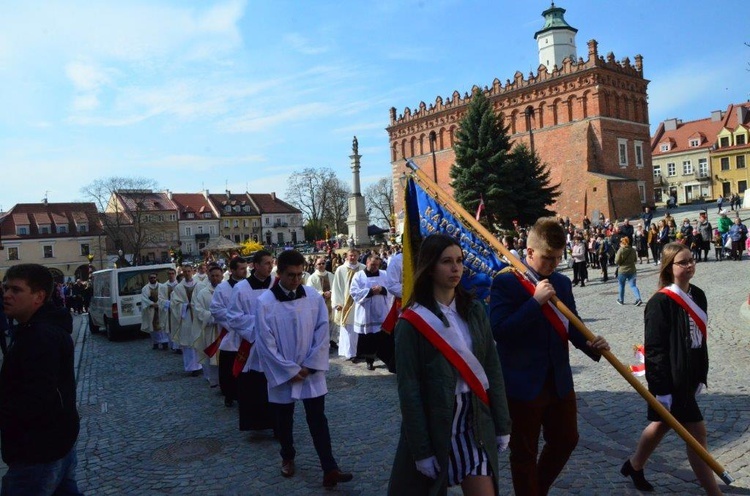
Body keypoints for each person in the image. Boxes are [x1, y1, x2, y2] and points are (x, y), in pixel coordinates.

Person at [490, 217, 610, 496]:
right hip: (523, 382)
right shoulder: (506, 282)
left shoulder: (561, 283)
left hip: (558, 380)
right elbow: (500, 331)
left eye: (558, 257)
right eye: (548, 258)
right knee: (524, 454)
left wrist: (592, 344)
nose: (554, 264)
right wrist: (534, 303)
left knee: (567, 439)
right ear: (530, 252)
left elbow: (571, 324)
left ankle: (537, 490)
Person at [388, 234, 511, 495]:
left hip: (474, 419)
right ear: (430, 267)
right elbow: (409, 390)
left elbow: (492, 369)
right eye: (446, 261)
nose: (456, 268)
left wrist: (502, 423)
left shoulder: (475, 310)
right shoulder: (411, 323)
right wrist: (421, 451)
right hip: (437, 422)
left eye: (459, 261)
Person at [621, 243, 722, 495]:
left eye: (691, 260)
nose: (689, 265)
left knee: (663, 424)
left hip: (690, 373)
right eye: (682, 262)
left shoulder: (698, 294)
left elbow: (699, 338)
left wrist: (701, 374)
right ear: (669, 267)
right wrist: (661, 391)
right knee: (696, 436)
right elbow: (655, 351)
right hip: (672, 380)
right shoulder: (659, 303)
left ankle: (635, 465)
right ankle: (714, 493)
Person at [254, 250, 353, 488]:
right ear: (279, 273)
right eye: (291, 275)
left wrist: (309, 365)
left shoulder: (312, 297)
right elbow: (265, 343)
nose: (296, 280)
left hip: (310, 371)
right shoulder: (265, 303)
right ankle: (287, 456)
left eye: (300, 274)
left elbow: (322, 330)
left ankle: (330, 468)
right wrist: (288, 370)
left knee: (318, 419)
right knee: (284, 419)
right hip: (284, 372)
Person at [0, 264, 82, 495]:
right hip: (55, 442)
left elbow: (37, 398)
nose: (6, 295)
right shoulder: (35, 330)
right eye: (6, 288)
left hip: (37, 450)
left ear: (39, 296)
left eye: (16, 290)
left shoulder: (40, 336)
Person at [227, 250, 275, 434]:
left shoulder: (276, 285)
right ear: (254, 265)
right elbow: (233, 317)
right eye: (266, 263)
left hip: (274, 343)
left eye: (271, 263)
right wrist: (259, 325)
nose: (270, 266)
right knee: (254, 385)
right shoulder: (241, 288)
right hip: (251, 345)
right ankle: (256, 423)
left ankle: (277, 422)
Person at [211, 257, 248, 407]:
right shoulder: (222, 288)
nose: (245, 271)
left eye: (246, 268)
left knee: (245, 368)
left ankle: (244, 394)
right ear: (232, 270)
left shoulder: (249, 286)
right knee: (228, 369)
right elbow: (216, 309)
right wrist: (234, 321)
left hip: (246, 334)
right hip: (230, 334)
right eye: (242, 269)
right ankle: (229, 394)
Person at [349, 253, 389, 371]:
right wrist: (370, 291)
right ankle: (369, 360)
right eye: (372, 265)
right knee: (369, 338)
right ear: (367, 263)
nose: (375, 267)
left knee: (383, 337)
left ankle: (386, 359)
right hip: (366, 313)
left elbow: (391, 289)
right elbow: (354, 292)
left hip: (381, 311)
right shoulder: (359, 276)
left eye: (377, 265)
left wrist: (382, 289)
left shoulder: (384, 274)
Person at [331, 248, 366, 360]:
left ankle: (360, 351)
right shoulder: (340, 269)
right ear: (346, 256)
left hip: (359, 302)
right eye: (350, 255)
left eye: (355, 255)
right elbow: (336, 287)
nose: (352, 258)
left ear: (358, 256)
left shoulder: (363, 268)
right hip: (345, 303)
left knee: (360, 328)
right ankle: (350, 353)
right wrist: (337, 303)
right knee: (348, 329)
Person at [170, 264, 203, 377]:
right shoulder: (178, 288)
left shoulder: (199, 286)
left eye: (189, 271)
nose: (187, 273)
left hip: (197, 316)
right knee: (188, 343)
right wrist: (184, 306)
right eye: (185, 272)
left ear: (192, 272)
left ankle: (200, 365)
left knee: (198, 340)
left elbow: (203, 299)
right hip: (187, 317)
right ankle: (191, 367)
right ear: (182, 273)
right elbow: (174, 303)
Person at [194, 265, 224, 388]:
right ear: (208, 277)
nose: (215, 278)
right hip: (211, 329)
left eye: (218, 275)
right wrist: (214, 317)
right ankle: (214, 381)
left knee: (225, 356)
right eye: (213, 276)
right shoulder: (203, 293)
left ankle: (226, 381)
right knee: (212, 356)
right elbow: (199, 310)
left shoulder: (228, 290)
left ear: (222, 276)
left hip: (225, 329)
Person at [306, 257, 337, 350]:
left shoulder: (331, 275)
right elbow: (310, 290)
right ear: (315, 265)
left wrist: (331, 292)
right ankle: (323, 341)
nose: (321, 265)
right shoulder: (312, 278)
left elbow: (336, 286)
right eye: (319, 264)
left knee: (333, 322)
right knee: (322, 322)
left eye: (323, 263)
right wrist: (323, 294)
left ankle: (333, 340)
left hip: (331, 301)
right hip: (320, 302)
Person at [141, 272, 170, 350]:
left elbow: (165, 297)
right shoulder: (145, 288)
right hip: (151, 310)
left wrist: (159, 303)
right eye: (151, 278)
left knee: (162, 325)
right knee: (153, 327)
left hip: (161, 309)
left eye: (154, 277)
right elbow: (144, 299)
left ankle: (165, 343)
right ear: (149, 279)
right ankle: (155, 342)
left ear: (156, 278)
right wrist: (151, 303)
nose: (153, 279)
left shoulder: (162, 287)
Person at [614, 237, 643, 306]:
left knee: (621, 285)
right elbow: (635, 260)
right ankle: (638, 298)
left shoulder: (620, 250)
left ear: (622, 243)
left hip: (622, 271)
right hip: (632, 270)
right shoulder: (632, 250)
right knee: (633, 286)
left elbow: (616, 261)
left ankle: (621, 300)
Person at [159, 268, 180, 352]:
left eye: (172, 273)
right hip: (168, 310)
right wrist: (167, 303)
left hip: (178, 310)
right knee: (170, 328)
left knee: (178, 327)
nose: (171, 275)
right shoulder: (163, 286)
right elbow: (160, 298)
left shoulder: (179, 285)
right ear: (167, 275)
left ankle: (178, 346)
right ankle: (173, 346)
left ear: (175, 274)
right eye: (169, 274)